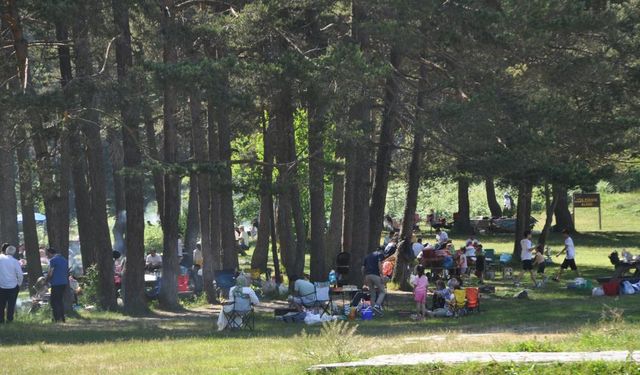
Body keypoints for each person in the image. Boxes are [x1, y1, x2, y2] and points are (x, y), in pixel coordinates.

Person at [0, 244, 23, 323]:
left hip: (1, 285)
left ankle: (1, 320)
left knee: (1, 305)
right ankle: (9, 319)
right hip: (13, 286)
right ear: (14, 252)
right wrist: (19, 284)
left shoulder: (1, 259)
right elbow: (20, 274)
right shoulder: (15, 261)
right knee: (11, 304)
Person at [45, 248, 68, 323]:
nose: (47, 256)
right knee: (60, 300)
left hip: (56, 283)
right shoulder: (64, 259)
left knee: (54, 301)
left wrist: (46, 281)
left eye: (47, 254)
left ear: (50, 253)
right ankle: (62, 317)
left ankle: (57, 318)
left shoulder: (53, 260)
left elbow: (50, 273)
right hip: (64, 282)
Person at [362, 250, 385, 316]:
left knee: (372, 293)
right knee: (382, 291)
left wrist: (365, 276)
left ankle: (373, 312)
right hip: (375, 275)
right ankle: (377, 306)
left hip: (367, 276)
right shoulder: (379, 254)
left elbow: (363, 268)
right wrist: (382, 275)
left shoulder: (367, 256)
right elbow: (379, 264)